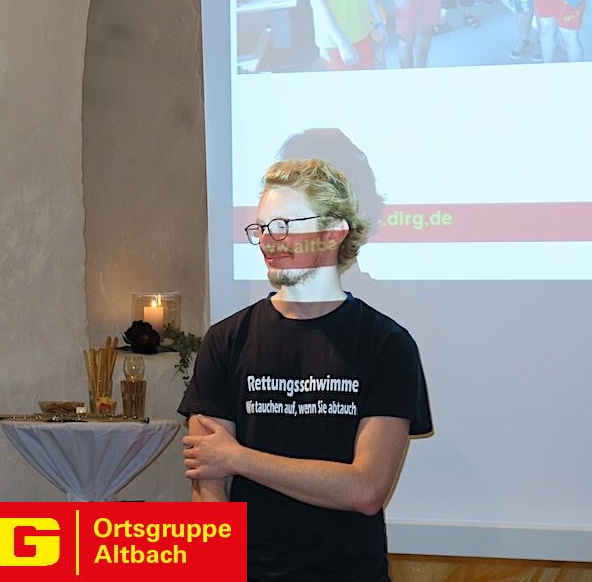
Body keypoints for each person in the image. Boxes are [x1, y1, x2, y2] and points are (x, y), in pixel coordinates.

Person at [180, 158, 432, 582]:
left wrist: (238, 457)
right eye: (262, 228)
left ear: (334, 231)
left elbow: (366, 489)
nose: (269, 240)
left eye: (284, 225)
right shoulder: (226, 340)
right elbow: (208, 483)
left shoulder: (386, 344)